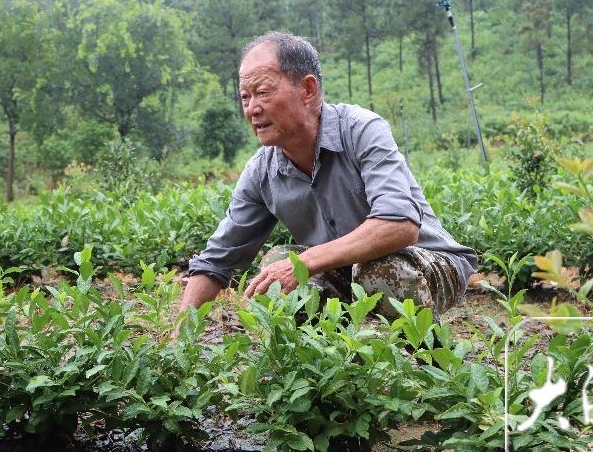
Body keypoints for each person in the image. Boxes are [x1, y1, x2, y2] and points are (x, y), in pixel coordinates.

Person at [179, 32, 477, 319]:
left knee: (375, 269)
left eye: (263, 93)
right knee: (276, 271)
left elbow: (399, 226)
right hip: (347, 270)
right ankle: (338, 368)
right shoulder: (261, 171)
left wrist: (304, 263)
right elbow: (217, 259)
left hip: (430, 262)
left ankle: (435, 363)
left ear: (307, 89)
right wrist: (181, 334)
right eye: (245, 97)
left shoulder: (361, 130)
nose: (252, 109)